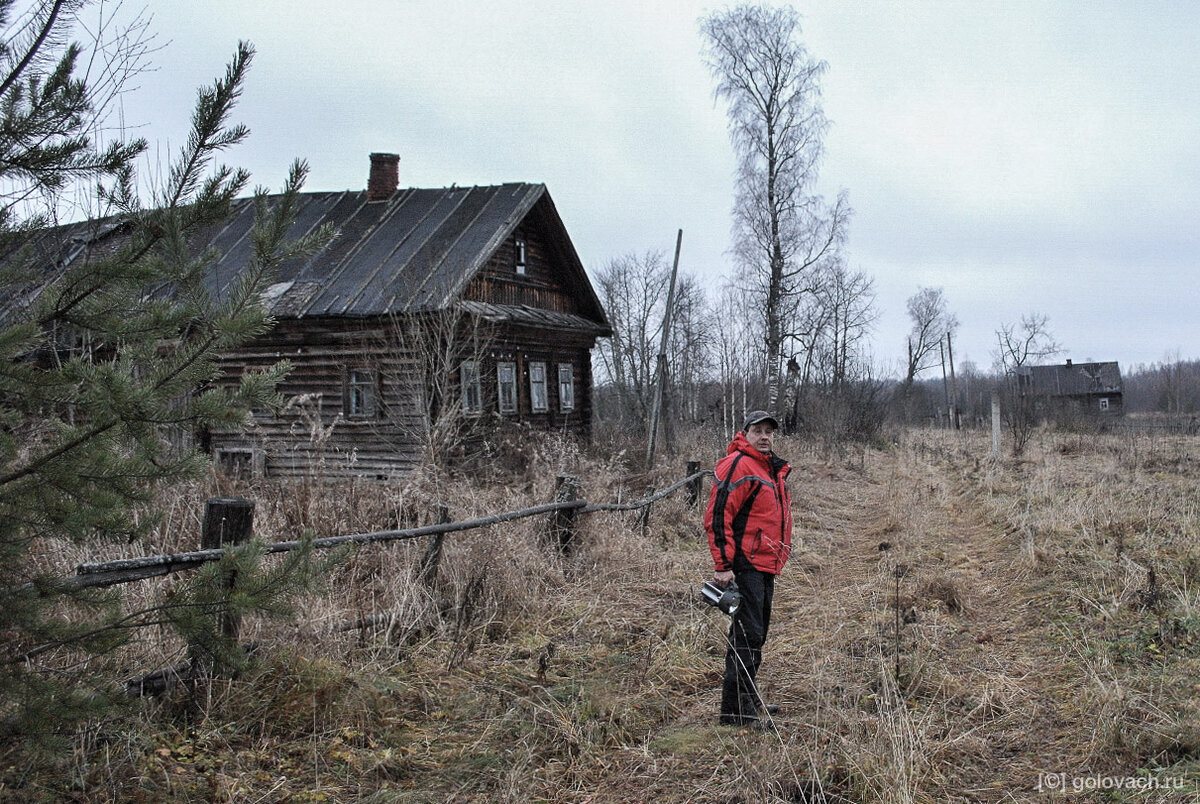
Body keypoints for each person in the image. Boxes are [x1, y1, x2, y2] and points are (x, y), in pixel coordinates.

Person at [703, 410, 793, 727]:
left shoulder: (768, 468)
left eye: (770, 431)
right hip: (745, 565)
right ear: (746, 433)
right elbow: (717, 517)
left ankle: (746, 701)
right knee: (747, 636)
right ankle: (736, 713)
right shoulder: (738, 465)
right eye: (758, 430)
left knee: (756, 636)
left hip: (766, 563)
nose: (765, 436)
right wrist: (724, 566)